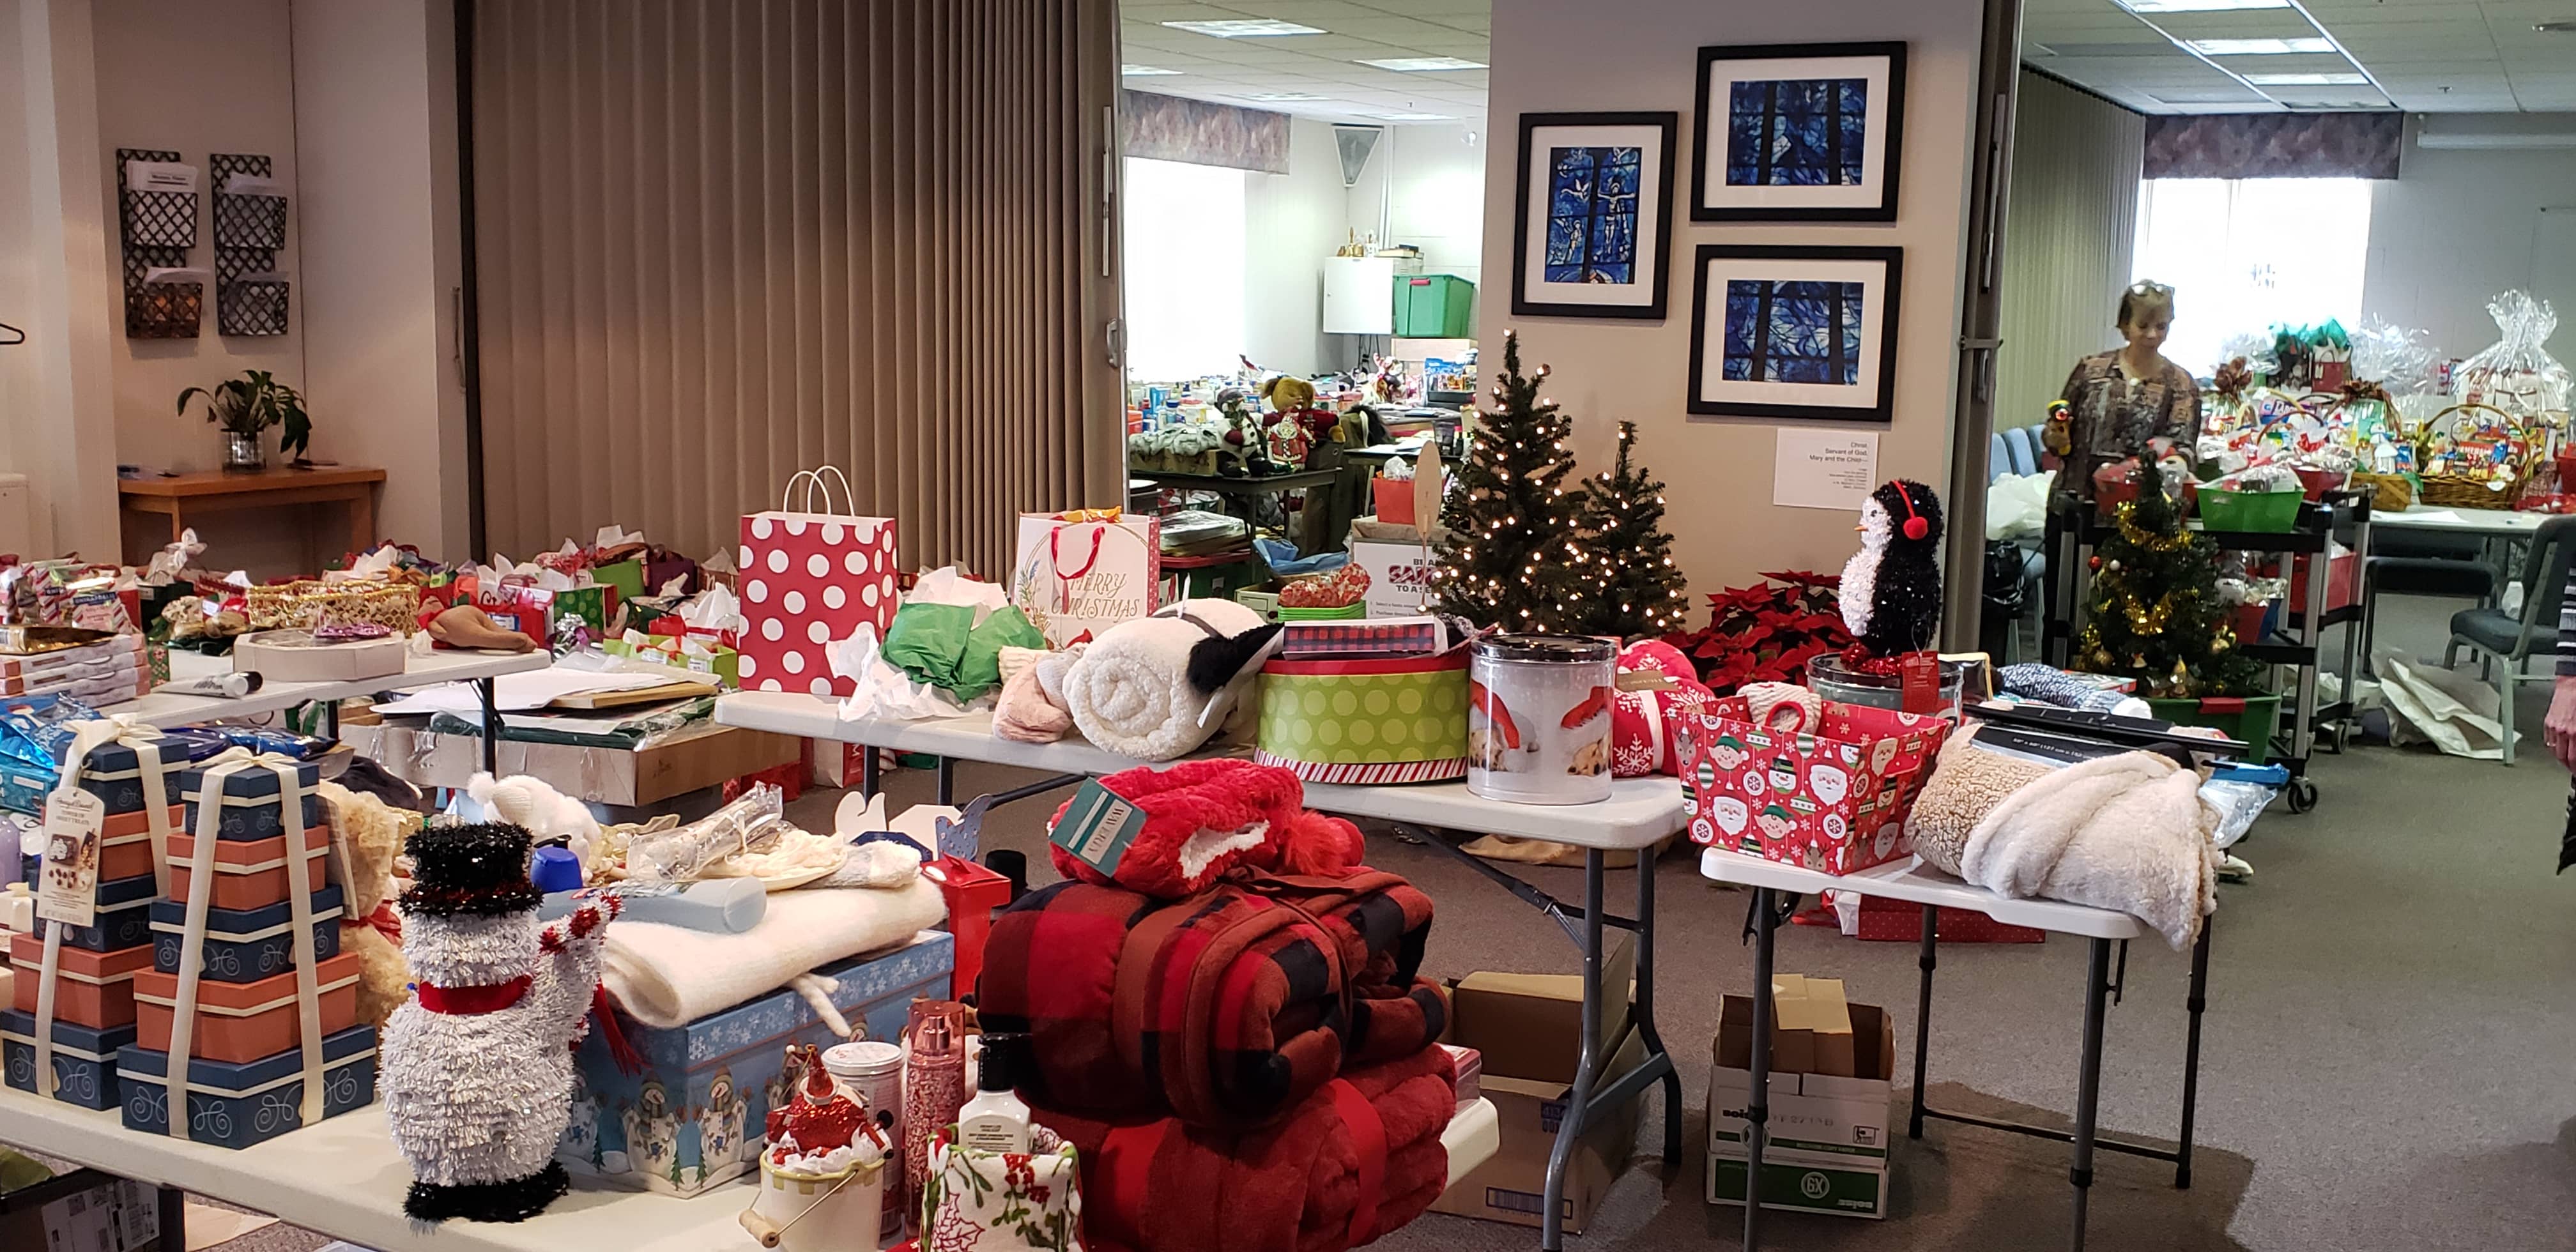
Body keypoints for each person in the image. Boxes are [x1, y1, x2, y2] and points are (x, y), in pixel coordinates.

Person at [2049, 281, 2201, 501]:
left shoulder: (2181, 384)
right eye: (2143, 325)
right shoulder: (2091, 370)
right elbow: (2059, 424)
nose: (2152, 335)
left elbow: (2184, 448)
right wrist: (2053, 437)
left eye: (2161, 327)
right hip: (2075, 501)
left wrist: (2175, 463)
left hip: (2140, 514)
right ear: (2124, 325)